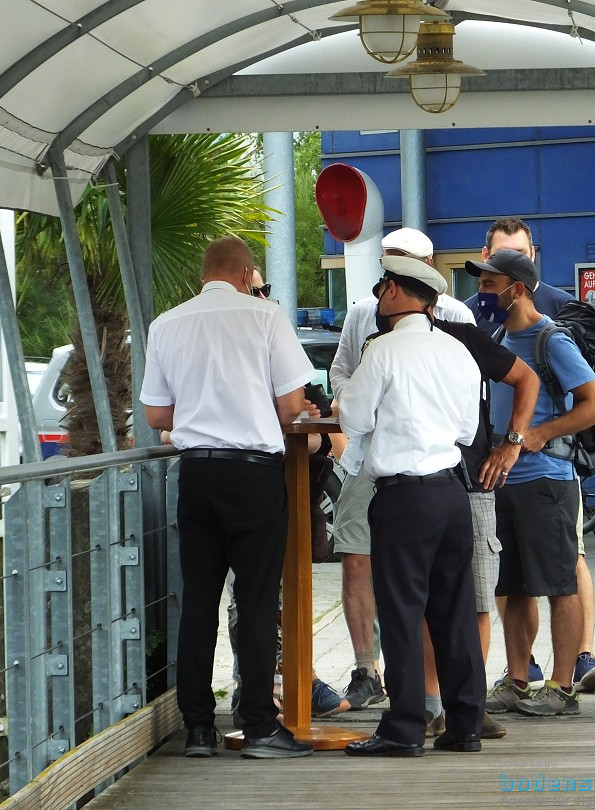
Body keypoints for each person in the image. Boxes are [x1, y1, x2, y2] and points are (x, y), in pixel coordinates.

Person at [141, 235, 314, 759]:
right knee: (258, 600)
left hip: (196, 474)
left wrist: (201, 407)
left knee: (198, 601)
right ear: (246, 275)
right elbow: (291, 407)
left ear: (204, 274)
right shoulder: (265, 318)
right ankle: (260, 726)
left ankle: (197, 729)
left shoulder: (166, 323)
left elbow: (156, 415)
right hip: (254, 475)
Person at [340, 255, 484, 756]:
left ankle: (402, 730)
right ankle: (465, 725)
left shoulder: (382, 351)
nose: (379, 296)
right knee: (455, 612)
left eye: (382, 287)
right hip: (451, 492)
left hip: (404, 496)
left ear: (398, 292)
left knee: (401, 611)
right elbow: (467, 430)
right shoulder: (458, 351)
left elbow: (353, 416)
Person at [468, 216, 595, 695]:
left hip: (548, 480)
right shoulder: (496, 339)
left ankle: (561, 686)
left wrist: (535, 435)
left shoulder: (552, 339)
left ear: (517, 289)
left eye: (490, 283)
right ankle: (516, 679)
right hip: (503, 483)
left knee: (559, 585)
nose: (482, 291)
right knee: (513, 587)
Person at [223, 270, 349, 723]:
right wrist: (290, 420)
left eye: (266, 291)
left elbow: (323, 427)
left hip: (292, 495)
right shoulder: (223, 353)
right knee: (250, 595)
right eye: (255, 291)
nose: (263, 298)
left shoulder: (281, 347)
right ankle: (253, 688)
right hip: (245, 487)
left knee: (288, 592)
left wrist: (302, 422)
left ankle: (297, 677)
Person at [420, 304, 540, 743]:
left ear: (429, 302)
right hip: (415, 485)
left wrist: (511, 444)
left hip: (472, 483)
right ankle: (431, 705)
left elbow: (527, 378)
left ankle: (469, 705)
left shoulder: (465, 337)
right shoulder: (385, 341)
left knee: (477, 601)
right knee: (423, 602)